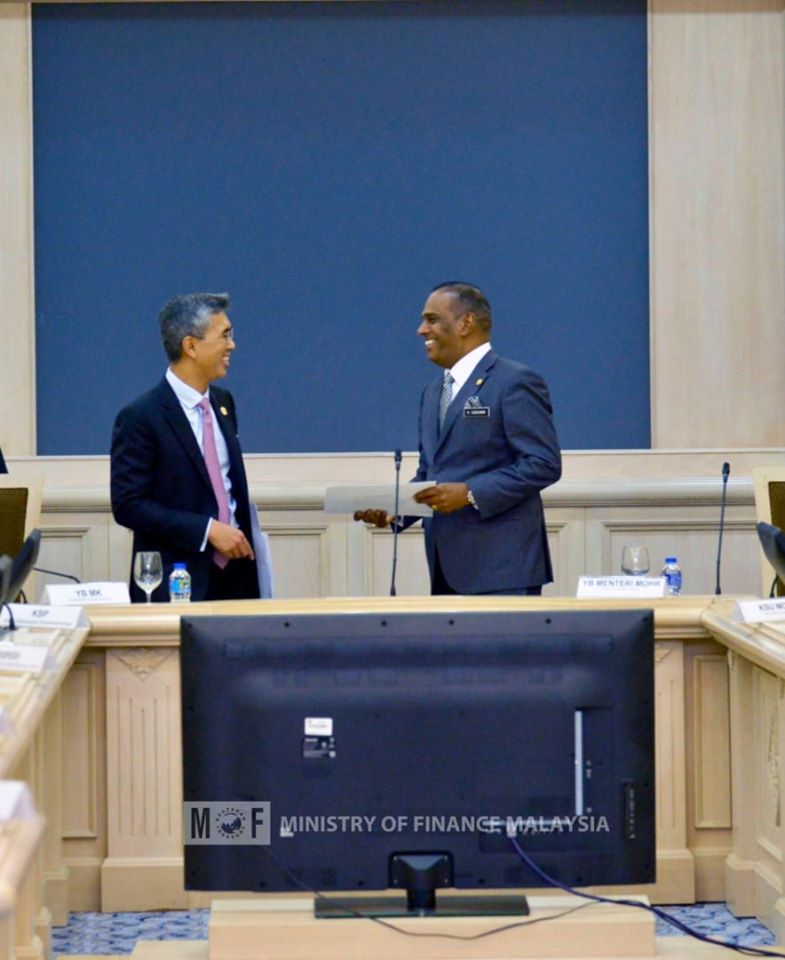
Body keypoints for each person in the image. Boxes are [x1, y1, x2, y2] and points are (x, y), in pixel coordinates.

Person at [357, 282, 561, 595]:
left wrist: (469, 493)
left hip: (502, 571)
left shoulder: (514, 381)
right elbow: (431, 473)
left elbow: (543, 464)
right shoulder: (433, 392)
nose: (421, 330)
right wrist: (395, 510)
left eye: (432, 319)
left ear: (466, 323)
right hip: (444, 569)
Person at [111, 292, 260, 602]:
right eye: (224, 335)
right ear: (191, 346)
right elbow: (129, 505)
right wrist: (207, 530)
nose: (232, 345)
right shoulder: (141, 416)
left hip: (237, 576)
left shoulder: (223, 403)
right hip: (178, 581)